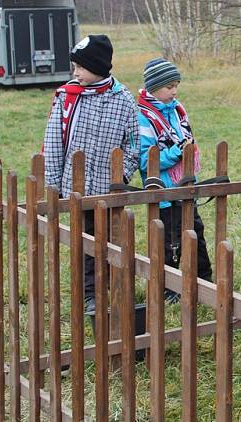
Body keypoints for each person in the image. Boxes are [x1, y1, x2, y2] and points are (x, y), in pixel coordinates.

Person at [42, 34, 140, 312]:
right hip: (77, 188)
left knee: (111, 239)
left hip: (109, 188)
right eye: (74, 67)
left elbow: (133, 143)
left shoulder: (123, 99)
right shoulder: (67, 98)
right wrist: (54, 184)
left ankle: (111, 285)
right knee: (86, 242)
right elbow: (53, 143)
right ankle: (90, 294)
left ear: (98, 66)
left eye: (80, 68)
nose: (75, 73)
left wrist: (122, 177)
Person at [137, 58, 213, 301]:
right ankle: (169, 288)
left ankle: (204, 281)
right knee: (170, 241)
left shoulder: (177, 110)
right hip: (164, 193)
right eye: (169, 86)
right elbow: (148, 160)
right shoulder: (143, 117)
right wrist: (179, 151)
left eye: (176, 85)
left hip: (185, 186)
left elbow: (187, 137)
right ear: (153, 87)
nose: (174, 91)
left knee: (195, 233)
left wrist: (186, 148)